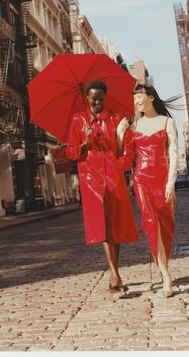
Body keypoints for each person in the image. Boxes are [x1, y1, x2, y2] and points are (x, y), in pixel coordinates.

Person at [66, 79, 139, 292]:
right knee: (104, 226)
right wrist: (84, 145)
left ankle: (114, 272)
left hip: (114, 177)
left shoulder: (116, 119)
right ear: (86, 98)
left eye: (101, 98)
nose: (97, 101)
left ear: (105, 97)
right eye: (93, 98)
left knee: (115, 227)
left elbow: (128, 146)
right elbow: (70, 152)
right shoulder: (78, 120)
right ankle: (115, 274)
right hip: (91, 180)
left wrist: (120, 165)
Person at [117, 83, 179, 297]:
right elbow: (125, 161)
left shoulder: (167, 122)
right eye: (133, 98)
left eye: (139, 96)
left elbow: (174, 154)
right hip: (141, 179)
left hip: (162, 179)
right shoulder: (134, 127)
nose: (136, 101)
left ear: (151, 97)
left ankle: (164, 264)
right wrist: (119, 134)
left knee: (166, 225)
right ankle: (165, 274)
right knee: (151, 223)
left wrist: (171, 182)